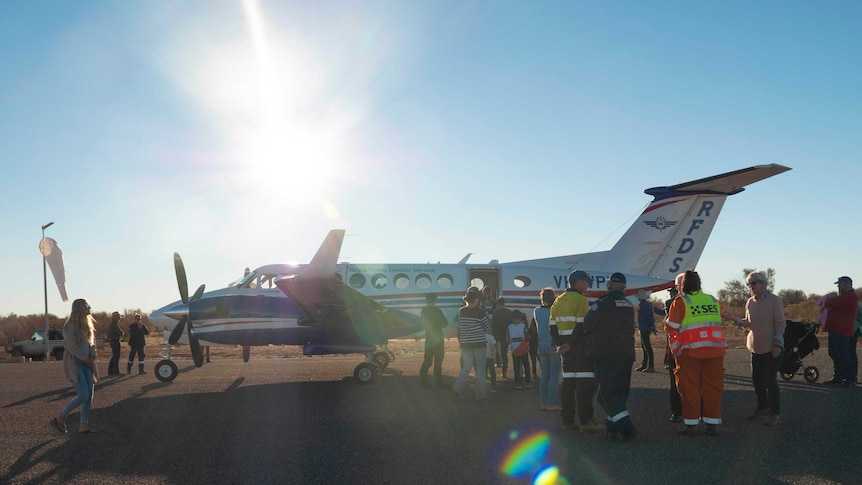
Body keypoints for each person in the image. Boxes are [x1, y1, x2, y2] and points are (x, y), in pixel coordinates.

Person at [665, 269, 728, 437]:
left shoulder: (680, 302)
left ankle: (691, 424)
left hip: (690, 351)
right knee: (712, 388)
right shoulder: (712, 300)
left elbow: (672, 326)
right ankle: (712, 423)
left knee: (690, 387)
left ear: (682, 285)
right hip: (715, 350)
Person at [722, 271, 786, 426]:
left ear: (763, 283)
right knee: (757, 380)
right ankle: (762, 408)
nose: (751, 287)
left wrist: (777, 344)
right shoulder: (750, 302)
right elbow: (749, 323)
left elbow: (780, 324)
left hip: (771, 347)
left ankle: (775, 414)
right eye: (749, 284)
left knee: (770, 380)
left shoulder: (774, 301)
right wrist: (733, 319)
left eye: (754, 283)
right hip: (755, 347)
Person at [584, 272, 637, 441]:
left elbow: (587, 324)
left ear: (610, 285)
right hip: (626, 353)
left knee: (604, 391)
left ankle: (625, 425)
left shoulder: (603, 303)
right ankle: (612, 426)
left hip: (606, 353)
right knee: (621, 390)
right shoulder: (628, 304)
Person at [551, 270, 603, 433]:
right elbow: (582, 326)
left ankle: (567, 421)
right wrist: (571, 345)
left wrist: (561, 345)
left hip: (565, 351)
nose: (587, 284)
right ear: (578, 282)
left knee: (568, 386)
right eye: (586, 281)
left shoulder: (557, 301)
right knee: (585, 386)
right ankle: (586, 421)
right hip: (579, 349)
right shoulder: (581, 300)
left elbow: (552, 327)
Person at [53, 298, 99, 434]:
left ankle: (83, 424)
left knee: (89, 395)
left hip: (87, 364)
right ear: (79, 308)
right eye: (86, 305)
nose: (89, 307)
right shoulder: (71, 325)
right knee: (83, 395)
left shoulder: (87, 325)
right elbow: (72, 346)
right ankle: (61, 417)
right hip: (76, 363)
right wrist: (85, 358)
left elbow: (92, 344)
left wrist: (92, 356)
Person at [453, 290, 493, 400]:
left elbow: (460, 326)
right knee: (480, 368)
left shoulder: (461, 311)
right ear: (475, 300)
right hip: (479, 342)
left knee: (466, 367)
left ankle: (457, 388)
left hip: (466, 343)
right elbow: (486, 327)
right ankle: (480, 395)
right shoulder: (480, 312)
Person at [822, 276, 857, 386]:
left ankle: (850, 378)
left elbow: (828, 303)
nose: (838, 286)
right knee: (835, 353)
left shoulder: (849, 296)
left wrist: (829, 299)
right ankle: (838, 377)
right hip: (835, 329)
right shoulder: (844, 297)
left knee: (843, 354)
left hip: (841, 330)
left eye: (840, 284)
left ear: (847, 284)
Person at [535, 288, 561, 411]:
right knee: (554, 376)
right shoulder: (555, 311)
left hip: (541, 345)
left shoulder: (537, 311)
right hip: (553, 345)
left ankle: (543, 403)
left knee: (544, 375)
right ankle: (551, 404)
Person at [419, 293, 448, 389]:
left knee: (427, 360)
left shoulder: (423, 311)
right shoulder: (438, 311)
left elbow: (423, 324)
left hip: (429, 338)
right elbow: (445, 323)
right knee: (438, 361)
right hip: (438, 338)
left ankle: (423, 380)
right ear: (435, 300)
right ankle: (439, 382)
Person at [663, 286, 683, 423]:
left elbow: (669, 325)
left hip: (676, 346)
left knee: (676, 381)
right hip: (687, 345)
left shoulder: (672, 303)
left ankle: (677, 412)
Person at [635, 290, 662, 372]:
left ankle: (650, 365)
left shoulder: (644, 305)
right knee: (645, 347)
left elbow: (648, 317)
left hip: (645, 328)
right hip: (643, 327)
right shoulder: (644, 305)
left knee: (647, 347)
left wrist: (651, 326)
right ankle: (645, 365)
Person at [509, 310, 532, 390]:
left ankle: (517, 383)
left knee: (516, 367)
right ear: (520, 317)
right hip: (523, 348)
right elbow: (528, 337)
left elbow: (506, 339)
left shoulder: (509, 327)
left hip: (514, 349)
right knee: (526, 365)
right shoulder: (523, 326)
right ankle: (527, 382)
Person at [491, 297, 512, 379]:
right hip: (505, 335)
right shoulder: (509, 312)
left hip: (496, 335)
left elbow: (493, 324)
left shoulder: (495, 312)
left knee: (494, 353)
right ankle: (504, 373)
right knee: (504, 354)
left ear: (498, 304)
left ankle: (493, 371)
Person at [106, 311, 124, 376]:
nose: (118, 318)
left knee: (114, 356)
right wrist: (122, 333)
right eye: (116, 316)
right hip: (115, 341)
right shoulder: (113, 324)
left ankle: (110, 370)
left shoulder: (112, 324)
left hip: (113, 341)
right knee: (116, 356)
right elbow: (120, 333)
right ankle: (116, 371)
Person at [527, 314, 539, 380]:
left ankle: (534, 374)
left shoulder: (529, 330)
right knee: (541, 361)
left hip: (531, 347)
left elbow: (528, 338)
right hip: (537, 346)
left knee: (533, 362)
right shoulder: (538, 330)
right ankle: (544, 374)